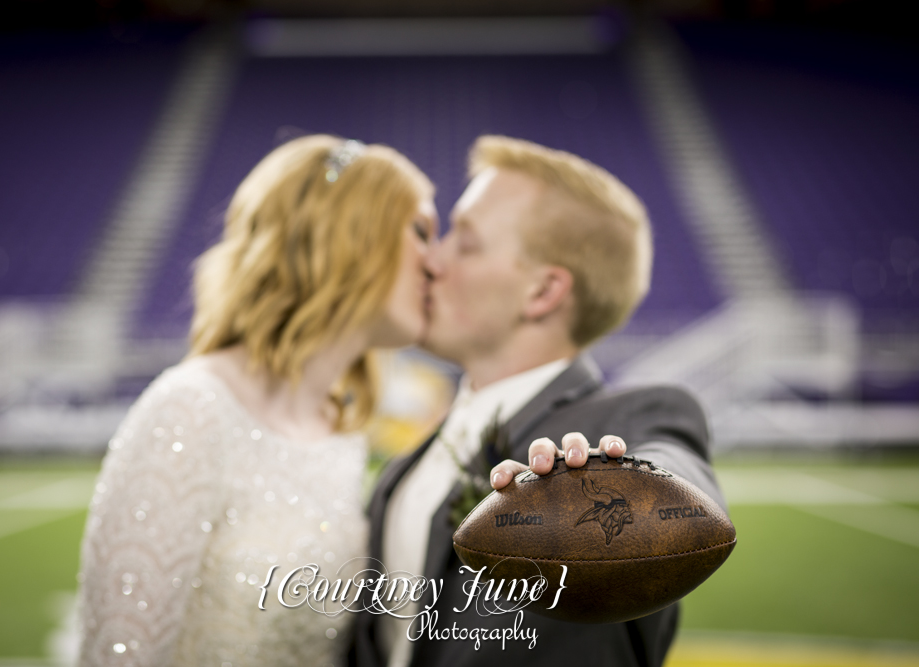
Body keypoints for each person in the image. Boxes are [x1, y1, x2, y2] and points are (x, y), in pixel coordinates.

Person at [352, 136, 727, 667]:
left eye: (465, 240)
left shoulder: (633, 420)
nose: (430, 261)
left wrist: (607, 481)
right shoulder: (405, 464)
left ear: (542, 293)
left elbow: (680, 493)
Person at [76, 135, 437, 666]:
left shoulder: (339, 429)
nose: (436, 264)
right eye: (421, 232)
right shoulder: (190, 411)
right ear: (353, 235)